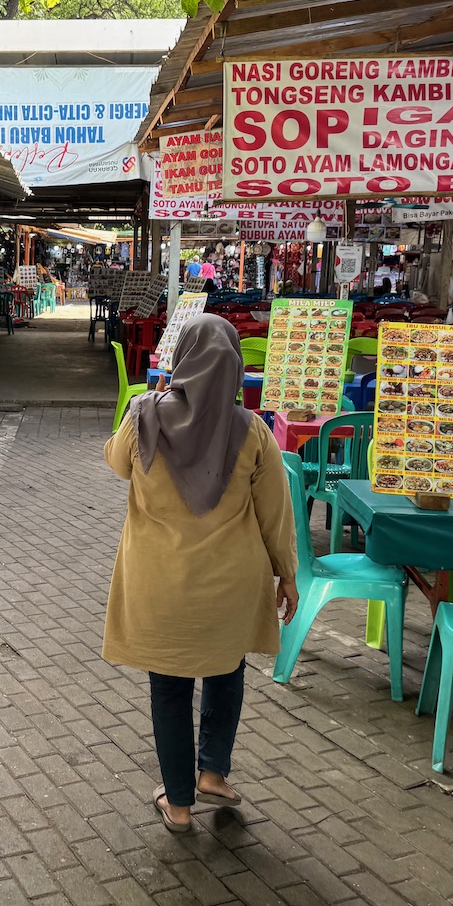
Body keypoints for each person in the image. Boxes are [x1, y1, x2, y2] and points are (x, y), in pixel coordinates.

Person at [102, 314, 299, 833]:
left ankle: (181, 805)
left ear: (182, 359)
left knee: (168, 690)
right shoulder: (253, 430)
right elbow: (276, 514)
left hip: (161, 587)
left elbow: (115, 462)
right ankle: (212, 774)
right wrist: (288, 575)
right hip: (230, 589)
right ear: (235, 366)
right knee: (225, 671)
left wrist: (155, 397)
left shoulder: (144, 416)